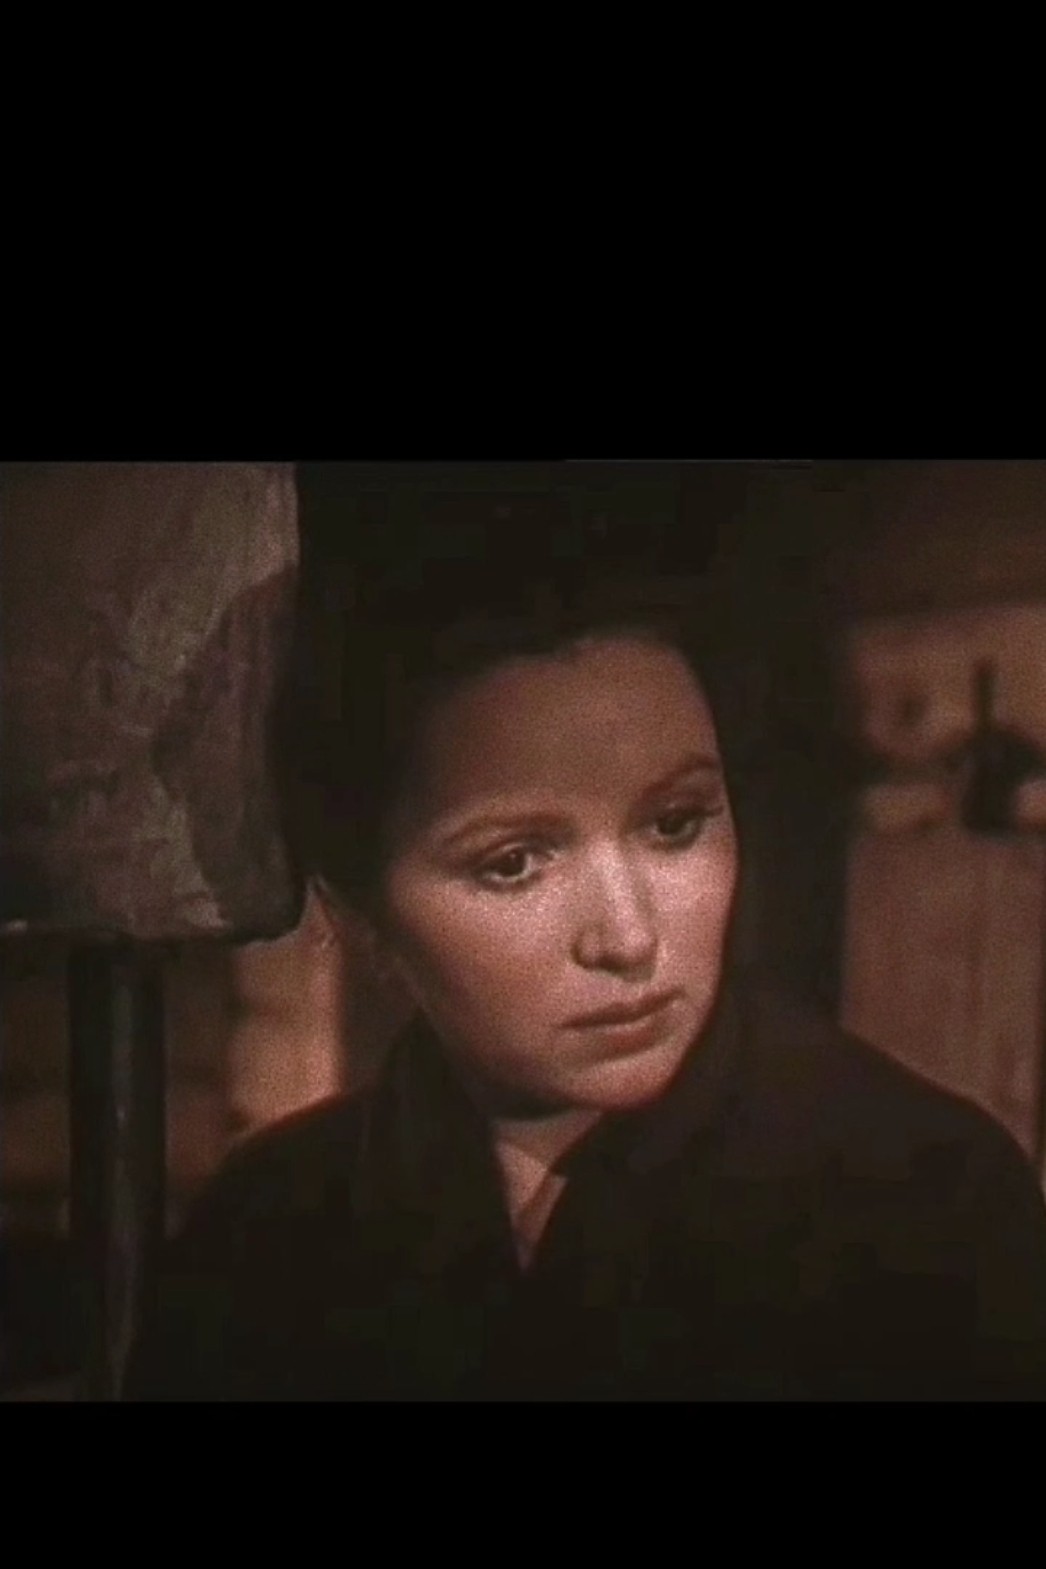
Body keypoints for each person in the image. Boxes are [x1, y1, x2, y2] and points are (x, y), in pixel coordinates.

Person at [126, 555, 1046, 1401]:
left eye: (676, 823)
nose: (629, 936)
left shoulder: (930, 1204)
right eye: (513, 863)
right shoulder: (260, 1239)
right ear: (358, 911)